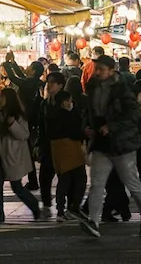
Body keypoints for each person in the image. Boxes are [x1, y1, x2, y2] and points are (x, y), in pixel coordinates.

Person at [79, 55, 141, 239]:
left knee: (132, 183)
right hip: (101, 143)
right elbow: (88, 111)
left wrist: (111, 126)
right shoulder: (93, 86)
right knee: (97, 184)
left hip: (122, 143)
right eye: (96, 69)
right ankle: (94, 222)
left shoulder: (123, 89)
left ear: (112, 70)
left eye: (101, 69)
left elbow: (133, 114)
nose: (97, 73)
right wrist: (87, 127)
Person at [0, 88, 40, 222]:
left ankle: (34, 204)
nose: (0, 99)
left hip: (12, 154)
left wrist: (12, 124)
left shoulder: (18, 115)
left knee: (16, 186)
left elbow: (24, 134)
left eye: (2, 97)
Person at [48, 89, 87, 219]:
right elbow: (75, 132)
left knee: (64, 180)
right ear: (65, 102)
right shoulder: (68, 115)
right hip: (71, 149)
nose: (72, 103)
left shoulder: (51, 113)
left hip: (57, 151)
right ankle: (73, 207)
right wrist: (85, 133)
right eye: (70, 101)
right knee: (79, 179)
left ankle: (60, 209)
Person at [34, 72, 65, 217]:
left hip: (62, 144)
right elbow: (40, 124)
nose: (50, 85)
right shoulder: (44, 104)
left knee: (64, 177)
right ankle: (46, 204)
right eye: (49, 82)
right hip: (47, 144)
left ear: (60, 85)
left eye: (53, 83)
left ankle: (61, 205)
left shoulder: (66, 102)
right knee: (45, 177)